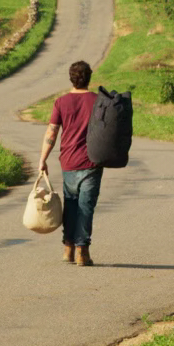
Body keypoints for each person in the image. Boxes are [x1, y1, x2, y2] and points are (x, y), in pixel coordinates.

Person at [39, 60, 102, 266]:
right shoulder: (98, 101)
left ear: (71, 78)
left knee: (72, 205)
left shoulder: (61, 102)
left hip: (68, 162)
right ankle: (82, 251)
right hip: (92, 162)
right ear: (89, 78)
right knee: (86, 207)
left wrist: (42, 159)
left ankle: (68, 248)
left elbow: (52, 132)